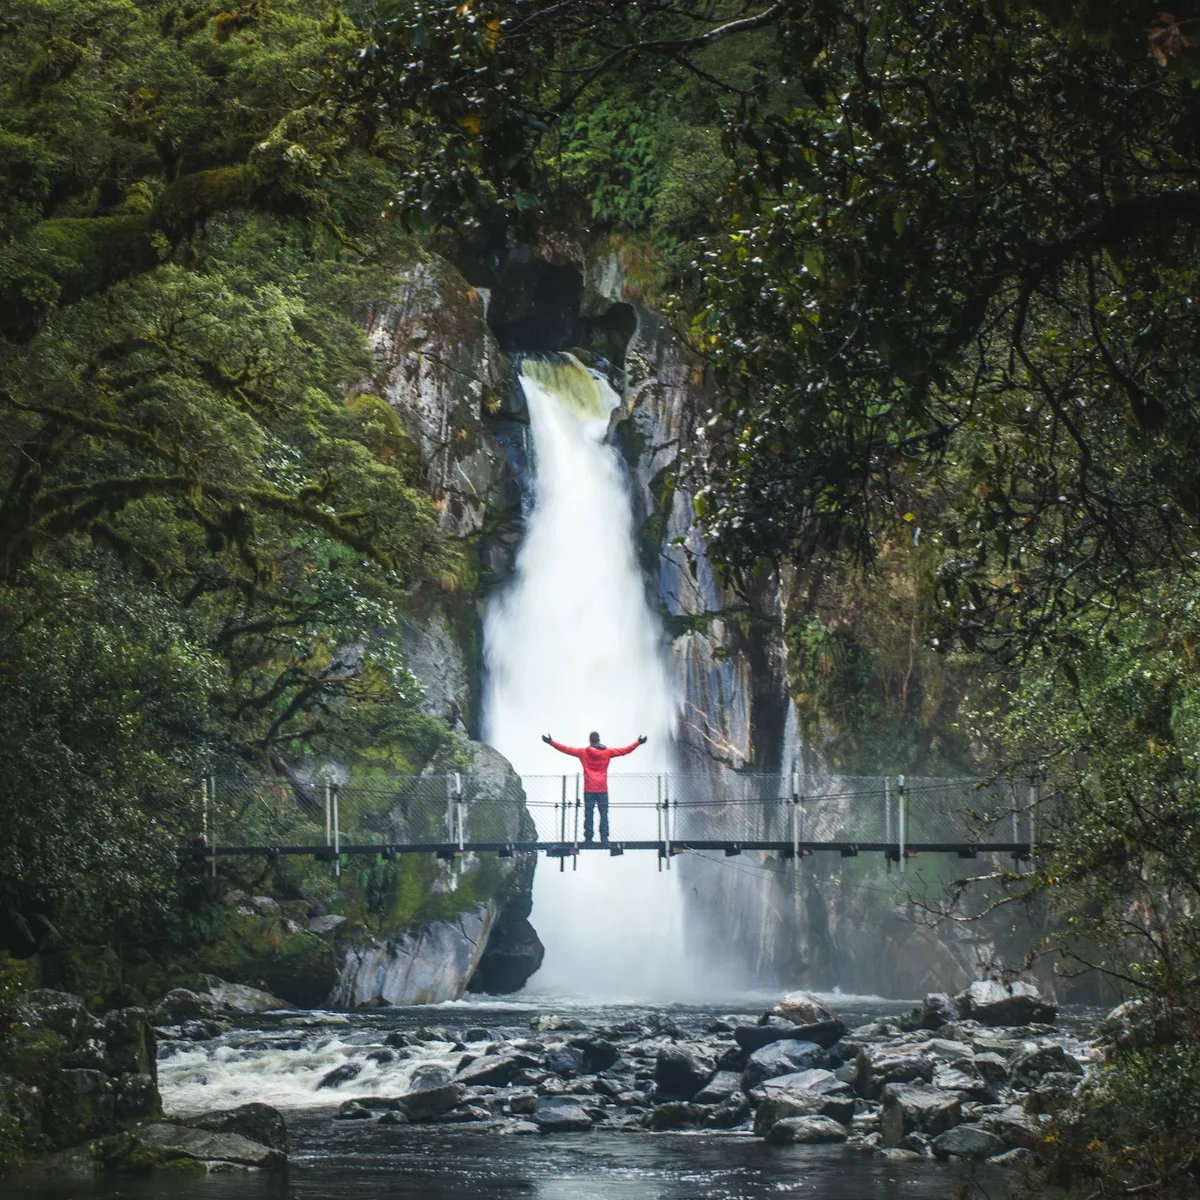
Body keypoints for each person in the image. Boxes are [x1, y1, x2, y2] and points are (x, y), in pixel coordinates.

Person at [542, 730, 647, 843]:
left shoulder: (583, 752)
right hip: (602, 788)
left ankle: (588, 838)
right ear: (599, 740)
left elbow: (567, 749)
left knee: (588, 813)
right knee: (604, 813)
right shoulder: (608, 752)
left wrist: (551, 742)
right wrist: (638, 742)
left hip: (589, 788)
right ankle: (604, 838)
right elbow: (624, 750)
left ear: (590, 740)